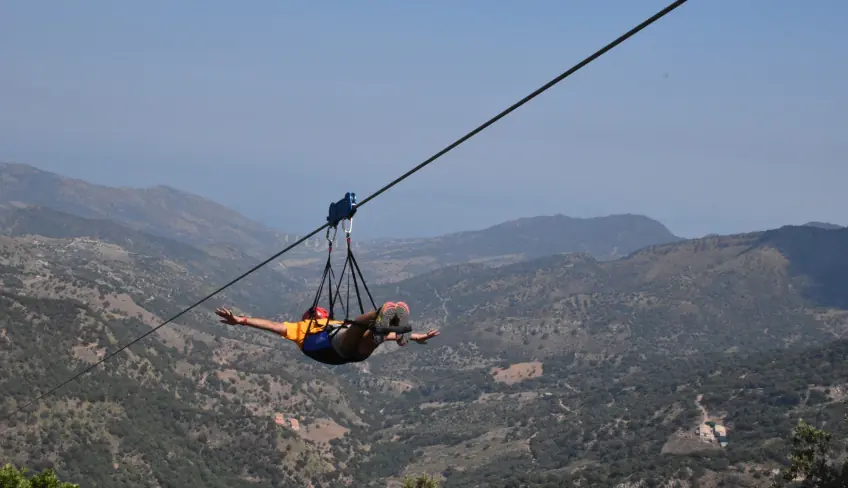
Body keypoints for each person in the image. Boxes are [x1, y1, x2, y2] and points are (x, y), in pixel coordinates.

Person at [214, 301, 439, 365]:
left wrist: (415, 337)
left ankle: (389, 322)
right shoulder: (302, 328)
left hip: (346, 353)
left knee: (373, 335)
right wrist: (242, 320)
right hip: (335, 346)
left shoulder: (311, 326)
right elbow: (271, 325)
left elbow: (272, 325)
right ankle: (384, 313)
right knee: (359, 326)